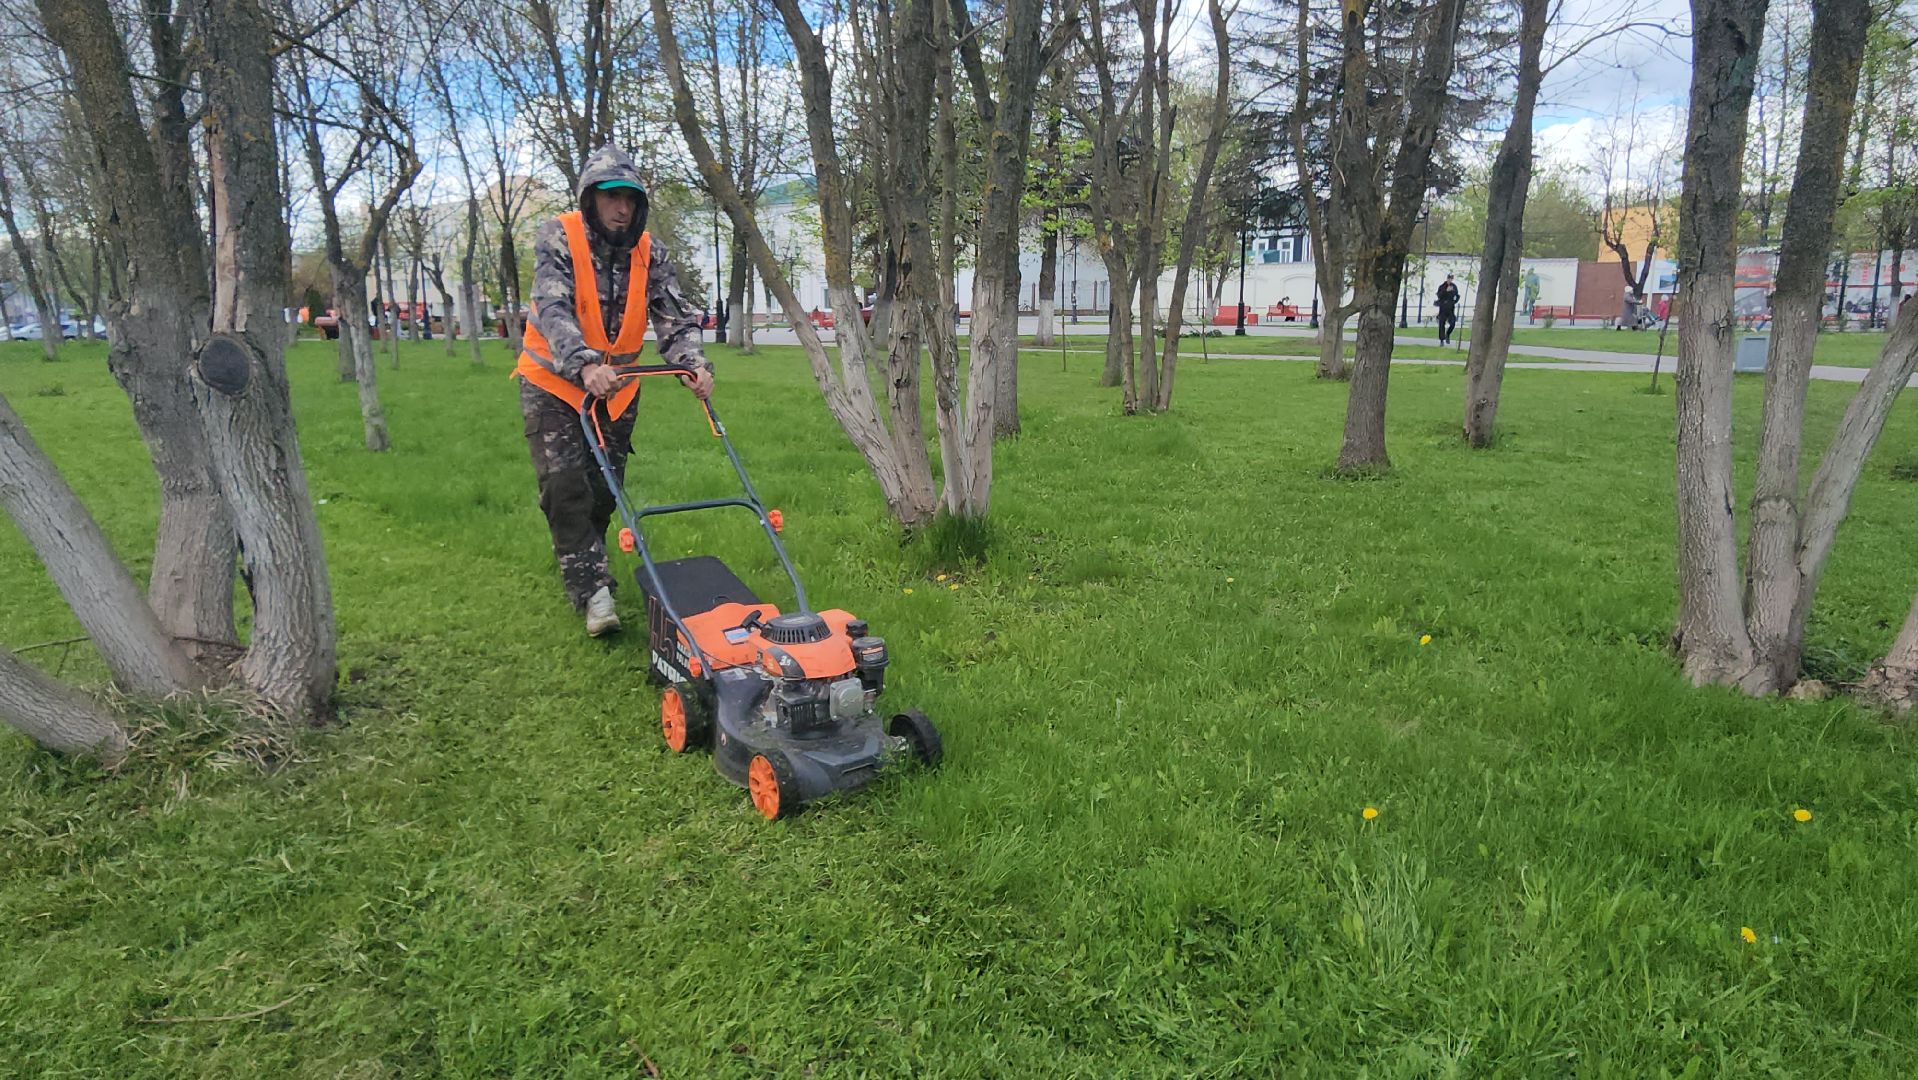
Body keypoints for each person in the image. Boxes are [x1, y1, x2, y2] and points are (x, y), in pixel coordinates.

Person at [517, 144, 715, 637]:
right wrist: (583, 365)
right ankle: (592, 592)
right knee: (565, 488)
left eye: (629, 198)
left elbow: (673, 315)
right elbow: (553, 306)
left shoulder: (651, 252)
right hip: (555, 384)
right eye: (610, 197)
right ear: (590, 199)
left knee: (604, 493)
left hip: (619, 390)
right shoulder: (558, 237)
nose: (621, 208)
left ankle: (588, 562)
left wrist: (693, 364)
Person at [1434, 274, 1460, 345]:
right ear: (1447, 278)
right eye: (1449, 278)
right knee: (1441, 324)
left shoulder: (1454, 287)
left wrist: (1454, 302)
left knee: (1452, 323)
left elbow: (1457, 295)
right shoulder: (1442, 286)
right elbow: (1439, 295)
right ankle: (1442, 340)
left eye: (1451, 279)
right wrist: (1446, 291)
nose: (1450, 280)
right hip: (1443, 308)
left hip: (1451, 308)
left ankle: (1448, 334)